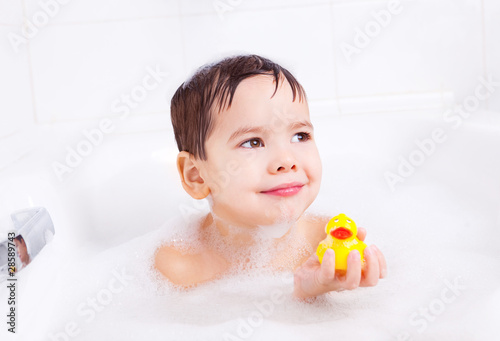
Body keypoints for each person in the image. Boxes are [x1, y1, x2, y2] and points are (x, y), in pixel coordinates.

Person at [154, 54, 387, 299]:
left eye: (300, 136)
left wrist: (314, 293)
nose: (286, 161)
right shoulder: (179, 267)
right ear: (197, 176)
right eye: (252, 142)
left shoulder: (328, 244)